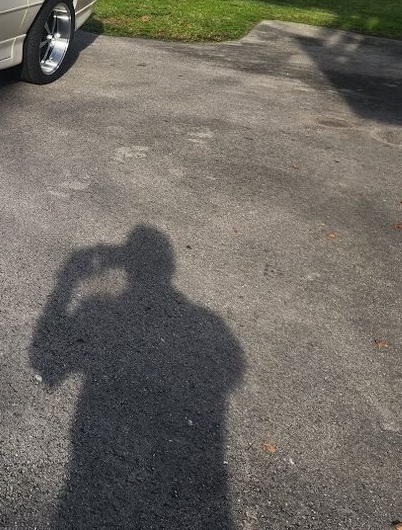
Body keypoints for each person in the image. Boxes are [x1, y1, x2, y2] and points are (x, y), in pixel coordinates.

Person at [30, 225, 245, 528]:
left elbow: (44, 364)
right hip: (189, 487)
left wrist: (66, 281)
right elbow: (233, 373)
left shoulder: (98, 310)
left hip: (96, 478)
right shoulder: (207, 324)